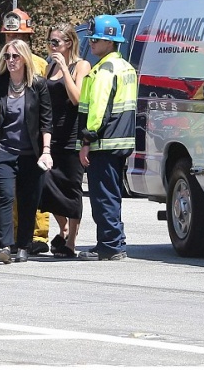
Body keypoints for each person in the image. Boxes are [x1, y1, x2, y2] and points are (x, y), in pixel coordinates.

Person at [0, 39, 52, 264]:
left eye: (15, 57)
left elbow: (47, 121)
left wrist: (46, 151)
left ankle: (24, 246)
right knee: (6, 196)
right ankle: (6, 245)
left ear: (25, 58)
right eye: (6, 57)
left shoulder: (38, 85)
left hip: (32, 154)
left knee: (29, 200)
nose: (10, 61)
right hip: (3, 151)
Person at [77, 15, 136, 261]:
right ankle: (115, 240)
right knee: (112, 194)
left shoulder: (104, 70)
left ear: (110, 43)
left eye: (97, 39)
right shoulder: (126, 67)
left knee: (103, 197)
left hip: (103, 142)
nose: (91, 43)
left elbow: (99, 109)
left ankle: (109, 246)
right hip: (120, 141)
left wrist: (87, 141)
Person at [40, 24, 91, 258]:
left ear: (68, 43)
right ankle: (63, 227)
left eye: (56, 42)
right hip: (52, 135)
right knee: (46, 185)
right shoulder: (49, 67)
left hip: (72, 136)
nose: (52, 47)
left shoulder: (81, 65)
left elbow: (77, 99)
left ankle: (71, 242)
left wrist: (64, 68)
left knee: (72, 189)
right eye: (50, 42)